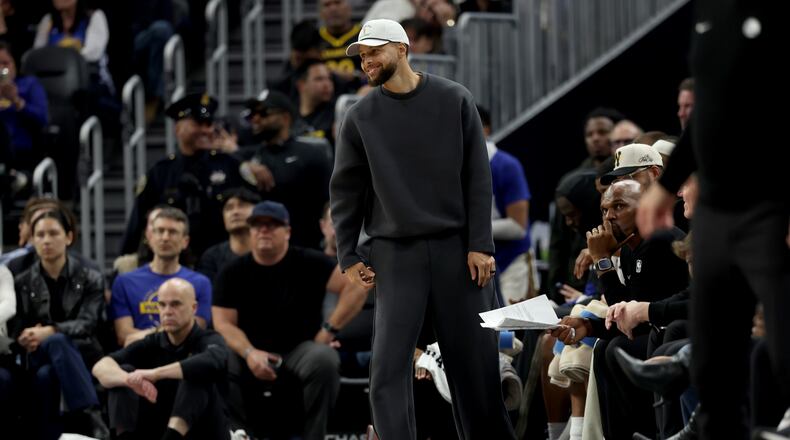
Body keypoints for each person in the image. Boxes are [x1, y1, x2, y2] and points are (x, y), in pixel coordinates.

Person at [330, 19, 515, 439]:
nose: (366, 62)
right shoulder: (360, 116)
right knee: (387, 370)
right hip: (395, 253)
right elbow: (345, 192)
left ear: (402, 48)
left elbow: (478, 177)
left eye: (374, 52)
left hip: (458, 249)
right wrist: (347, 254)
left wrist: (481, 244)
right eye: (362, 56)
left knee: (476, 367)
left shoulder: (455, 98)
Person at [636, 2, 790, 438]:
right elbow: (709, 104)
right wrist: (667, 185)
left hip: (772, 205)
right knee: (714, 370)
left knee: (784, 351)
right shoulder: (710, 9)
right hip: (717, 215)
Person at [212, 201, 367, 439]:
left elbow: (357, 286)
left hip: (299, 349)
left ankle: (314, 436)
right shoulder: (232, 272)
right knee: (220, 357)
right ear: (250, 232)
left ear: (288, 231)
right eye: (258, 225)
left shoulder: (310, 262)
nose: (264, 230)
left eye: (272, 224)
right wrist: (250, 352)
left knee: (324, 358)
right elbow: (223, 324)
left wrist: (328, 330)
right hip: (249, 350)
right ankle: (240, 434)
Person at [8, 208, 109, 439]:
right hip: (37, 353)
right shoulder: (23, 282)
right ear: (32, 240)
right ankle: (91, 415)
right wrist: (26, 337)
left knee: (47, 373)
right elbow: (17, 328)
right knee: (54, 345)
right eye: (40, 235)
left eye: (53, 233)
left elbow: (88, 323)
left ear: (69, 237)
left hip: (81, 352)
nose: (46, 240)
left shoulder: (91, 278)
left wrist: (52, 331)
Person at [93, 278, 232, 440]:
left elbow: (213, 361)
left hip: (205, 432)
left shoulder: (210, 339)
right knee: (123, 373)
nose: (167, 311)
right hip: (158, 429)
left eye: (175, 304)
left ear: (193, 308)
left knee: (196, 372)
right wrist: (129, 380)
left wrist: (156, 373)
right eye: (162, 305)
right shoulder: (152, 342)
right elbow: (100, 367)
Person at [120, 92, 247, 260]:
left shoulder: (229, 165)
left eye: (209, 124)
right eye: (198, 124)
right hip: (174, 263)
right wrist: (124, 260)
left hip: (221, 260)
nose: (206, 130)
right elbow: (138, 222)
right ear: (178, 129)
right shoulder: (161, 172)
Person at [238, 90, 332, 249]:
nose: (256, 118)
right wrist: (245, 165)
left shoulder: (312, 154)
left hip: (305, 245)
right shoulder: (248, 156)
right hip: (261, 246)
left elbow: (329, 201)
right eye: (253, 114)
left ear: (285, 118)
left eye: (263, 113)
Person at [111, 207, 212, 348]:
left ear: (185, 241)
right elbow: (124, 337)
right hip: (138, 357)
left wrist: (143, 336)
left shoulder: (200, 283)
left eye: (173, 232)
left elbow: (194, 333)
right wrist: (172, 332)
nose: (165, 238)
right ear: (150, 237)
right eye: (160, 231)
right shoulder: (124, 282)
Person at [0, 41, 47, 173]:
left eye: (5, 63)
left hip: (21, 152)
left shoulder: (29, 85)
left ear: (15, 64)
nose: (2, 69)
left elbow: (42, 119)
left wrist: (16, 101)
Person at [196, 187, 259, 282]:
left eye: (242, 206)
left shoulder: (271, 251)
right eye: (229, 208)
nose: (235, 212)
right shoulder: (212, 257)